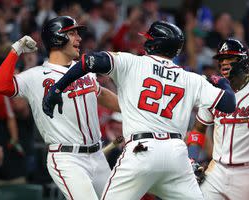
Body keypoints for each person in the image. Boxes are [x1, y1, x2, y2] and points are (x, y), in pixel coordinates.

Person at [42, 20, 236, 200]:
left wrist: (57, 88)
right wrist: (223, 83)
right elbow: (229, 104)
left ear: (153, 44)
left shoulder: (132, 62)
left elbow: (88, 61)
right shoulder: (191, 78)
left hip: (141, 152)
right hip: (176, 157)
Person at [0, 16, 120, 200]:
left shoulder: (85, 70)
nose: (79, 38)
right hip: (67, 158)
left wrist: (133, 110)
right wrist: (16, 49)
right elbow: (1, 85)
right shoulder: (36, 76)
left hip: (97, 155)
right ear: (57, 38)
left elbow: (102, 95)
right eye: (72, 33)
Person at [189, 38, 249, 200]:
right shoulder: (213, 92)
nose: (224, 63)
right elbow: (198, 129)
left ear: (243, 61)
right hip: (217, 170)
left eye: (230, 58)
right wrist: (192, 158)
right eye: (222, 59)